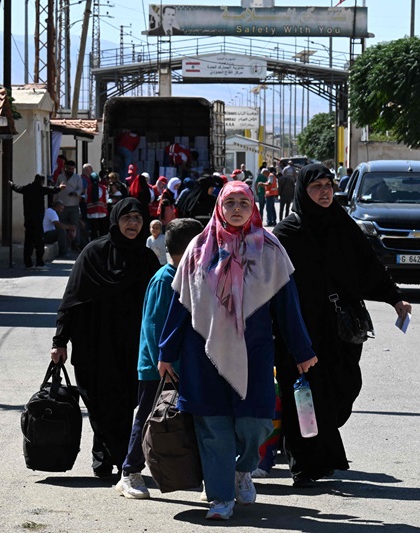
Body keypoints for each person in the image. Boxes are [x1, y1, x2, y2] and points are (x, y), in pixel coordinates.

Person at [157, 181, 318, 520]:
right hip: (204, 350)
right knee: (212, 425)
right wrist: (166, 351)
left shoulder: (270, 249)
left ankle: (242, 470)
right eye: (229, 202)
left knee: (256, 423)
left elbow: (288, 306)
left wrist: (302, 350)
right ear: (219, 207)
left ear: (254, 206)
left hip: (254, 351)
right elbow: (180, 303)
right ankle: (220, 497)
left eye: (243, 202)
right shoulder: (198, 248)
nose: (236, 208)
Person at [273, 164, 412, 487]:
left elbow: (370, 266)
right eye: (316, 187)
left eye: (328, 185)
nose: (324, 192)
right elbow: (268, 283)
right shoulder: (286, 235)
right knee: (304, 395)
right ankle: (305, 464)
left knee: (342, 388)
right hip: (300, 330)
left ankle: (319, 451)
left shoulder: (344, 226)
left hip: (341, 328)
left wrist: (395, 298)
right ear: (302, 191)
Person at [51, 198, 161, 478]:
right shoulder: (93, 253)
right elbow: (71, 299)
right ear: (116, 220)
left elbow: (159, 304)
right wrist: (60, 341)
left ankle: (109, 458)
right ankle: (115, 456)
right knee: (98, 404)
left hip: (131, 347)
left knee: (125, 404)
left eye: (138, 218)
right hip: (93, 345)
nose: (133, 224)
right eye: (127, 218)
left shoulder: (146, 258)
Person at [115, 218, 204, 499]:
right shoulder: (165, 280)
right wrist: (163, 364)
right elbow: (154, 328)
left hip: (184, 367)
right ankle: (129, 473)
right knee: (148, 418)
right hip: (160, 370)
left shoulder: (190, 277)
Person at [9, 174, 64, 270]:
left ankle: (28, 263)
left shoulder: (27, 188)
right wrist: (60, 188)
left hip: (28, 219)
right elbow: (52, 190)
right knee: (39, 241)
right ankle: (39, 262)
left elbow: (17, 188)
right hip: (38, 220)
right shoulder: (41, 189)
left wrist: (11, 184)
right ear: (42, 182)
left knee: (28, 241)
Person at [55, 160, 84, 254]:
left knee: (75, 225)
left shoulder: (77, 177)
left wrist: (76, 193)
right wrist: (55, 201)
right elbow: (56, 188)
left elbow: (81, 188)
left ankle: (76, 244)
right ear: (65, 168)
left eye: (72, 169)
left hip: (74, 204)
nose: (71, 170)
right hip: (62, 205)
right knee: (61, 225)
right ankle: (64, 246)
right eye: (69, 168)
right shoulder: (60, 177)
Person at [86, 172, 109, 240]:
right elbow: (107, 200)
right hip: (102, 212)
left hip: (91, 213)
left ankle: (94, 246)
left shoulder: (88, 188)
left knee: (94, 231)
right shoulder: (104, 188)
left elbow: (86, 199)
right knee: (103, 231)